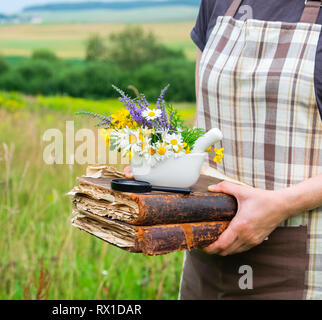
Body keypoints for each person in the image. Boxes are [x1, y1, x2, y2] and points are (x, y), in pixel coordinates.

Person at [126, 0, 322, 299]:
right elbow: (205, 123)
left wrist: (282, 204)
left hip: (302, 257)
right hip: (207, 253)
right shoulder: (218, 3)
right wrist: (165, 167)